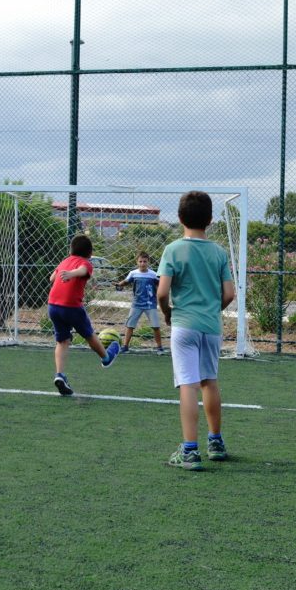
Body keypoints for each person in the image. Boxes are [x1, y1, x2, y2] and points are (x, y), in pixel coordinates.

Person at [157, 191, 235, 471]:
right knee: (209, 381)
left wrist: (167, 312)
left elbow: (163, 292)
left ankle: (190, 450)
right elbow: (229, 293)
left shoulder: (173, 249)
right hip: (211, 326)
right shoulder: (218, 251)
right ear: (210, 220)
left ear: (179, 218)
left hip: (184, 325)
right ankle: (216, 443)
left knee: (188, 384)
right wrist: (213, 309)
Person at [47, 234, 120, 396]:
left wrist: (66, 273)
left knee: (62, 341)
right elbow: (82, 270)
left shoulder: (64, 261)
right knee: (89, 335)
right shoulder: (86, 263)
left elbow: (52, 278)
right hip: (71, 307)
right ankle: (106, 358)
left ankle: (59, 375)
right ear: (90, 253)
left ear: (71, 249)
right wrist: (73, 274)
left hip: (53, 306)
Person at [115, 251, 165, 354]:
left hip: (150, 304)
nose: (142, 263)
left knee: (156, 326)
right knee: (130, 325)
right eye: (140, 261)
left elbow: (161, 284)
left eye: (145, 261)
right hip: (136, 304)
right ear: (137, 262)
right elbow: (126, 281)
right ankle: (125, 346)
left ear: (148, 262)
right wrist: (119, 284)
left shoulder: (153, 274)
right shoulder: (133, 273)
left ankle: (159, 347)